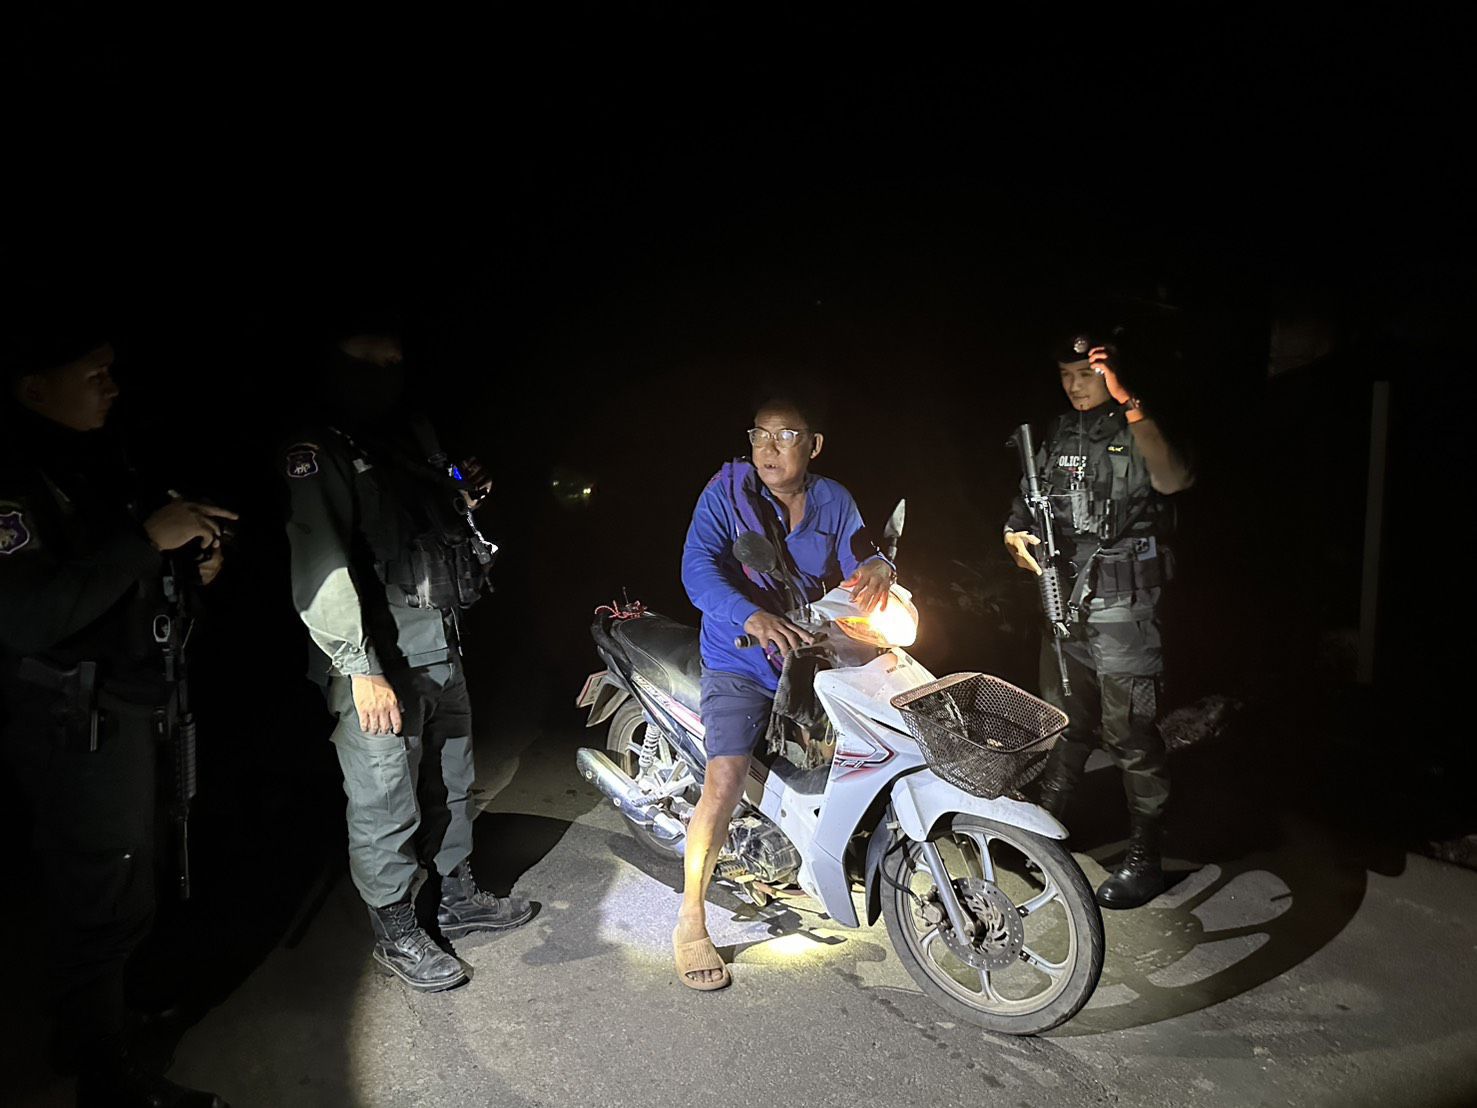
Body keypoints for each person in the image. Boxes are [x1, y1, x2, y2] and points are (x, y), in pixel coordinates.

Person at [0, 326, 235, 1107]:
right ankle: (107, 1079)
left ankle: (91, 1026)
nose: (111, 385)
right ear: (34, 387)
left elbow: (119, 576)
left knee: (123, 877)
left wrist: (189, 560)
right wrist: (146, 540)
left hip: (127, 703)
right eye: (91, 372)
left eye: (111, 370)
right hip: (76, 719)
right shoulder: (16, 483)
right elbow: (30, 616)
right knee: (105, 888)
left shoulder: (96, 462)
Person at [281, 330, 532, 994]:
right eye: (366, 362)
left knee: (451, 778)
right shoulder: (321, 450)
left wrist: (465, 491)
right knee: (385, 797)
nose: (383, 375)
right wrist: (358, 668)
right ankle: (395, 929)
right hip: (378, 658)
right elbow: (320, 563)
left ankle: (456, 897)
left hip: (437, 639)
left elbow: (437, 524)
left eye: (393, 362)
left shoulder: (411, 436)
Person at [674, 394, 893, 989]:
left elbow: (860, 550)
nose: (769, 449)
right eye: (759, 435)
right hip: (740, 658)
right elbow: (698, 568)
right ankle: (691, 917)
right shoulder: (726, 494)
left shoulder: (833, 499)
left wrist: (879, 566)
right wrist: (751, 614)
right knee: (723, 779)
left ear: (813, 445)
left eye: (786, 436)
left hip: (808, 654)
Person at [1003, 332, 1195, 909]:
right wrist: (1014, 535)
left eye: (1084, 374)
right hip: (1064, 602)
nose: (1074, 385)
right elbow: (1026, 505)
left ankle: (1145, 857)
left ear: (1110, 373)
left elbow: (1173, 479)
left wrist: (1130, 401)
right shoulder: (1059, 433)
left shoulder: (1141, 426)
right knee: (1064, 719)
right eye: (1066, 375)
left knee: (1129, 732)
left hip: (1124, 608)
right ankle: (1045, 829)